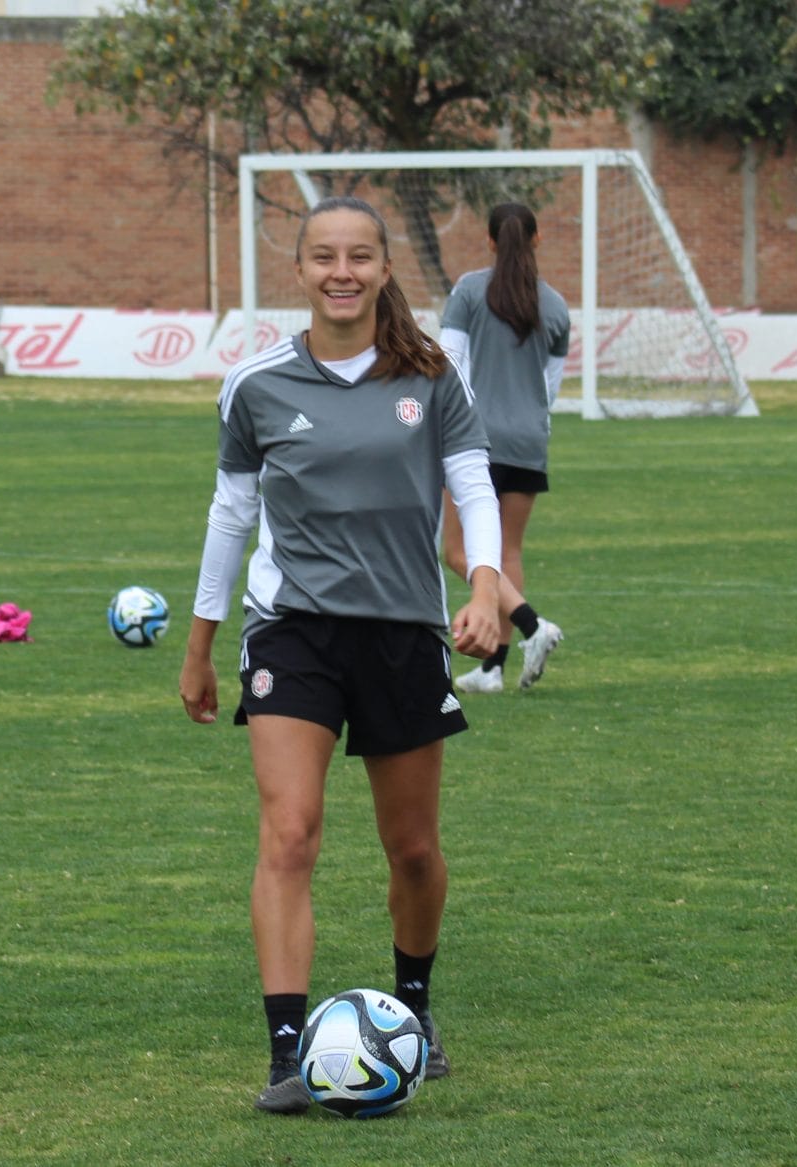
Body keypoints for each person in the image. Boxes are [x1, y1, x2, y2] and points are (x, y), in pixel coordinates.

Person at [178, 196, 503, 1114]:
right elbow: (230, 516)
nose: (342, 272)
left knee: (412, 850)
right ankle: (287, 1052)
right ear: (302, 268)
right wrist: (201, 646)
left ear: (384, 268)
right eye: (325, 256)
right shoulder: (256, 385)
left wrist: (484, 586)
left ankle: (415, 1008)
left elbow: (472, 484)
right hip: (293, 632)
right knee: (290, 832)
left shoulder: (432, 375)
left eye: (360, 256)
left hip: (403, 631)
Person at [439, 202, 569, 692]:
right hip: (529, 438)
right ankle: (493, 669)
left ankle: (534, 626)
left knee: (457, 549)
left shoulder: (470, 291)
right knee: (507, 549)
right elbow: (549, 388)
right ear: (537, 239)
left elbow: (450, 363)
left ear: (490, 242)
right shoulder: (556, 306)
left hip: (475, 437)